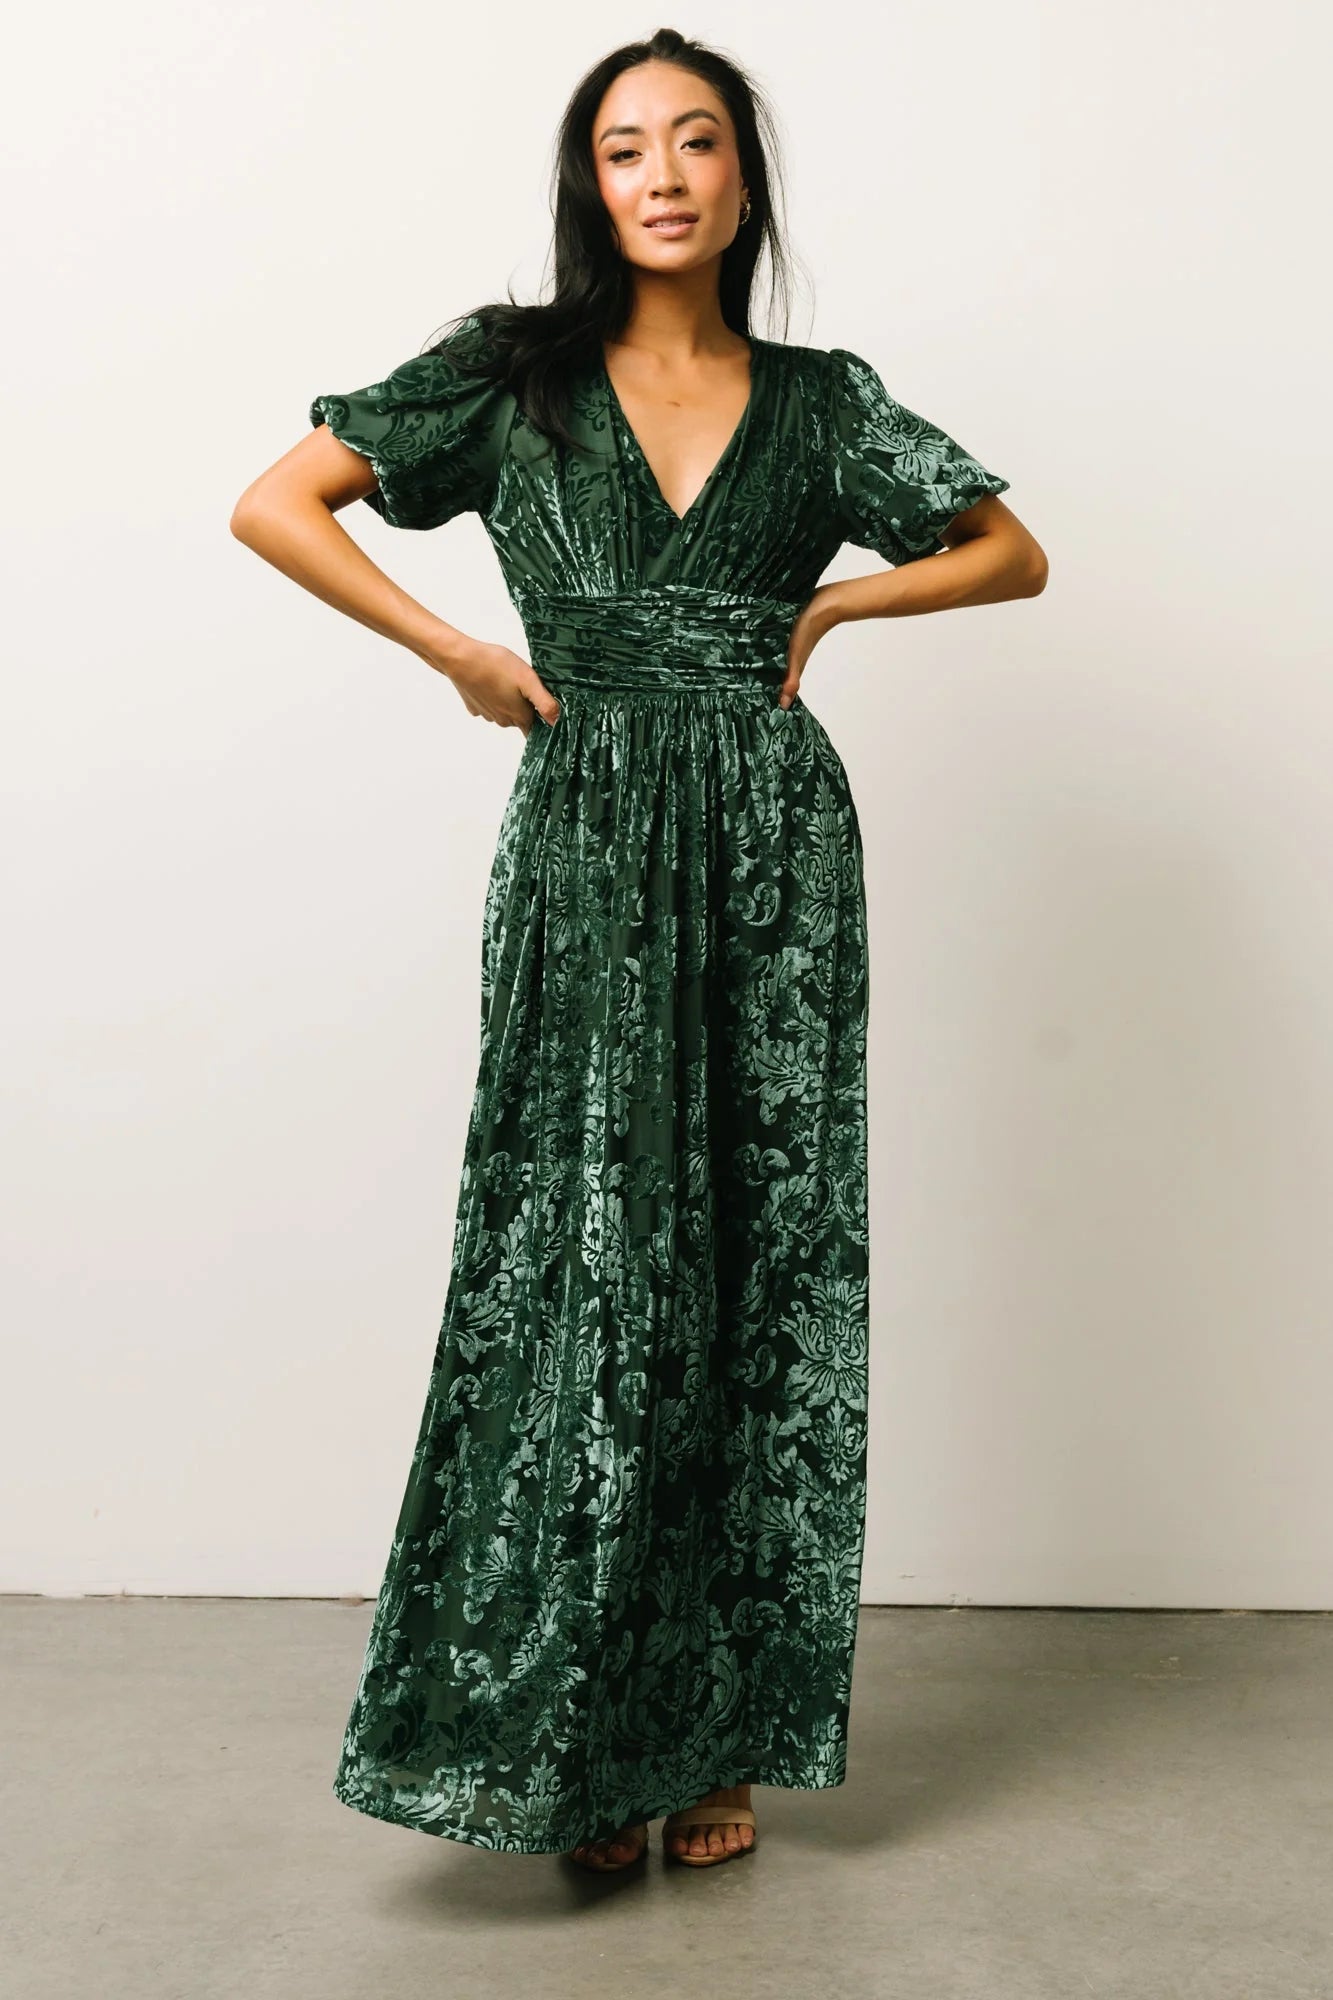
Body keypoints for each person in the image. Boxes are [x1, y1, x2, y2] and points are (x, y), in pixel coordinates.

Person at [230, 26, 1047, 1875]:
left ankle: (717, 1737)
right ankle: (579, 1739)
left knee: (755, 1265)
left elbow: (1010, 554)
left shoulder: (823, 402)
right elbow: (274, 502)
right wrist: (455, 649)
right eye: (623, 148)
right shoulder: (506, 371)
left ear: (742, 180)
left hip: (773, 850)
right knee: (586, 1256)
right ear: (586, 183)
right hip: (588, 829)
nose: (661, 175)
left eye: (694, 143)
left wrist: (834, 604)